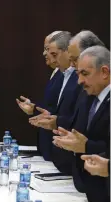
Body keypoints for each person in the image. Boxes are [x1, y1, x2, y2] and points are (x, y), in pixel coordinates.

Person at [52, 46, 110, 202]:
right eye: (78, 74)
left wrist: (86, 146)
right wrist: (73, 140)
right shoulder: (90, 96)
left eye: (85, 74)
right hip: (90, 188)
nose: (79, 81)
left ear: (104, 72)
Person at [29, 31, 83, 174]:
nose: (49, 57)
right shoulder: (61, 74)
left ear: (67, 51)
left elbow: (78, 116)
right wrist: (47, 115)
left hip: (74, 155)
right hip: (57, 152)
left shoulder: (78, 78)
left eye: (54, 54)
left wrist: (57, 121)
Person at [16, 31, 64, 160]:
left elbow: (62, 109)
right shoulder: (56, 72)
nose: (44, 53)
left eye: (48, 49)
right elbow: (51, 106)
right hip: (47, 145)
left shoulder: (68, 74)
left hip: (59, 145)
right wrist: (34, 108)